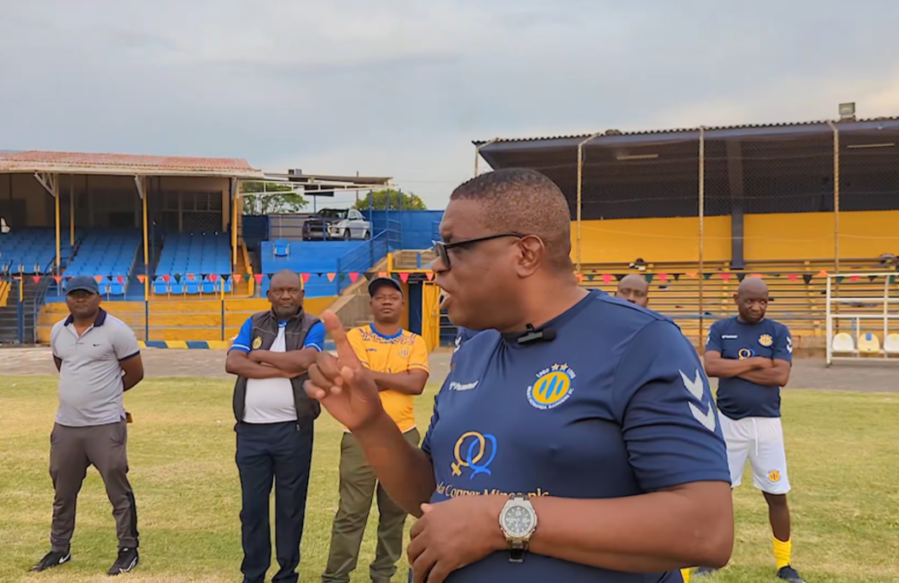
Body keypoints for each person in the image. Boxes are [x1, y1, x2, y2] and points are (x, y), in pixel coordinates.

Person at [305, 168, 735, 582]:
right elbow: (436, 495)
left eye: (452, 249)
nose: (437, 268)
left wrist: (503, 520)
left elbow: (705, 530)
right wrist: (371, 425)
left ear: (525, 254)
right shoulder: (475, 351)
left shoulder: (641, 343)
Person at [31, 276, 145, 576]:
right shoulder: (59, 330)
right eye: (73, 295)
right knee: (63, 492)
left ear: (98, 297)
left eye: (86, 295)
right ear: (66, 298)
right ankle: (59, 549)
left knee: (117, 489)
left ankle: (127, 550)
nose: (79, 300)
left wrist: (105, 396)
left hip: (105, 425)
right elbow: (63, 365)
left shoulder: (117, 331)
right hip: (66, 426)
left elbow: (134, 373)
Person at [323, 276, 430, 583]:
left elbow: (417, 384)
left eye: (392, 296)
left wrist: (372, 376)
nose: (386, 301)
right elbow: (354, 378)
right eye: (379, 296)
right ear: (370, 303)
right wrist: (393, 377)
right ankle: (336, 577)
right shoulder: (356, 337)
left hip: (403, 435)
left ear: (402, 303)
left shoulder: (414, 341)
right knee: (351, 512)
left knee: (395, 514)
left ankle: (382, 575)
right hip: (360, 436)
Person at [225, 269, 326, 583]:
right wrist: (282, 368)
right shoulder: (253, 323)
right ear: (268, 295)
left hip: (293, 431)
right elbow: (233, 363)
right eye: (279, 290)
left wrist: (258, 357)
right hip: (251, 432)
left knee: (290, 507)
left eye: (292, 290)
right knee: (252, 509)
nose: (285, 296)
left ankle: (286, 574)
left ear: (301, 294)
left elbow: (305, 361)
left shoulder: (314, 325)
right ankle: (253, 574)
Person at [700, 277, 804, 583]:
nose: (757, 307)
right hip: (728, 422)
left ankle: (784, 563)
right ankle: (710, 557)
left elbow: (781, 376)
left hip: (767, 425)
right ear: (736, 298)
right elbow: (712, 367)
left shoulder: (778, 331)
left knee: (776, 494)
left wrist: (737, 368)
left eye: (763, 301)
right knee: (720, 493)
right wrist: (759, 362)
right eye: (750, 301)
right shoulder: (721, 329)